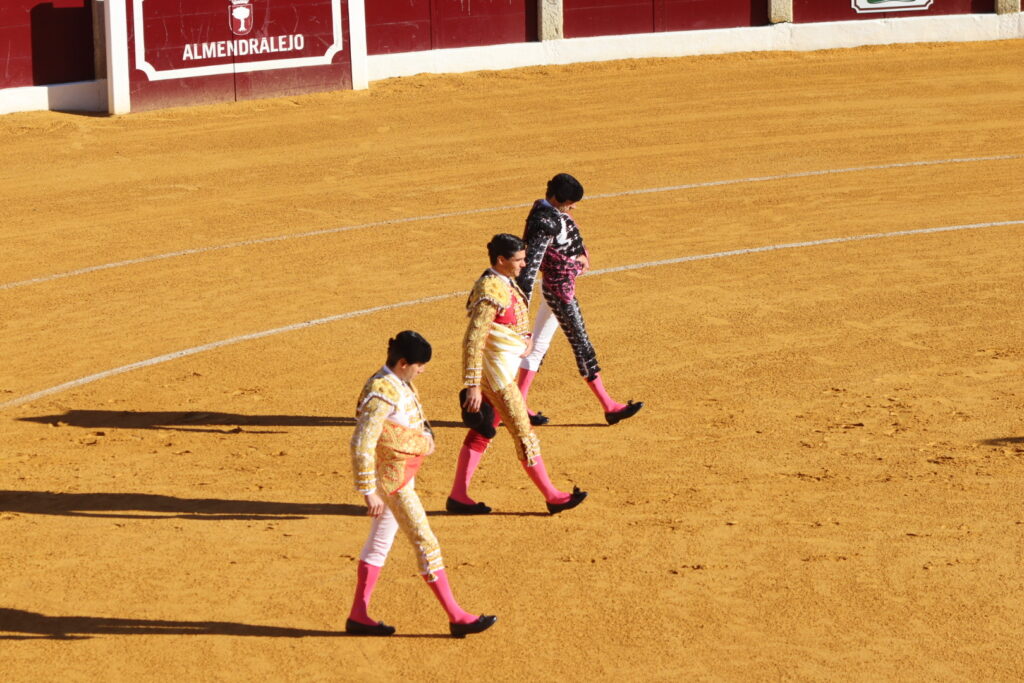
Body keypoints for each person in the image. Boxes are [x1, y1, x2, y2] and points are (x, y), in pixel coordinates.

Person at [346, 331, 496, 638]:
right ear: (403, 363)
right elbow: (361, 443)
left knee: (379, 545)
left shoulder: (400, 382)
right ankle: (456, 616)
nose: (422, 370)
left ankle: (358, 615)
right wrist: (368, 491)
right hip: (393, 482)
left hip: (401, 475)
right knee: (426, 542)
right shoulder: (381, 392)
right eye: (419, 365)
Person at [446, 234, 588, 516]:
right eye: (519, 260)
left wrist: (527, 341)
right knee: (524, 434)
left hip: (501, 369)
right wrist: (472, 385)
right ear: (501, 260)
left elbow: (511, 325)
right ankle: (552, 496)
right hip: (496, 377)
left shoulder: (502, 282)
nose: (525, 265)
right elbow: (473, 340)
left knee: (482, 431)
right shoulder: (490, 289)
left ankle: (458, 495)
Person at [515, 173, 643, 426]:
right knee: (581, 345)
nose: (573, 207)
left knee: (539, 345)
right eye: (570, 202)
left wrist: (580, 255)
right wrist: (520, 314)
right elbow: (530, 267)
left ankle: (516, 404)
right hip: (559, 289)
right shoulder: (544, 221)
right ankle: (609, 406)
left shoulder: (549, 214)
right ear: (558, 198)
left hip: (559, 286)